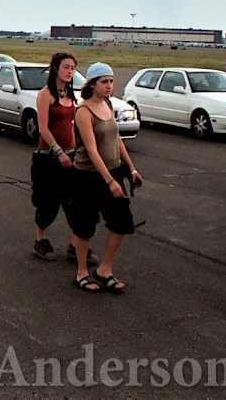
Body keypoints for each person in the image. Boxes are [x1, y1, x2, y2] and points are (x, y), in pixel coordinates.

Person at [68, 62, 144, 294]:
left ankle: (104, 270)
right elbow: (91, 150)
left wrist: (131, 169)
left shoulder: (108, 104)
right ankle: (82, 273)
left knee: (122, 223)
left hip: (112, 171)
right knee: (85, 226)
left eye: (111, 81)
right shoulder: (83, 111)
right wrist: (109, 182)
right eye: (104, 81)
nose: (110, 85)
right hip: (87, 176)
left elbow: (116, 139)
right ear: (92, 84)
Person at [30, 52, 97, 266]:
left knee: (74, 203)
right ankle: (41, 240)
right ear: (56, 69)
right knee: (47, 202)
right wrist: (58, 152)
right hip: (48, 158)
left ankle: (75, 245)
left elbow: (73, 126)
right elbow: (42, 128)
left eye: (73, 68)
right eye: (66, 67)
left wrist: (80, 147)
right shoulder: (46, 94)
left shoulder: (71, 95)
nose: (70, 71)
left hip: (70, 156)